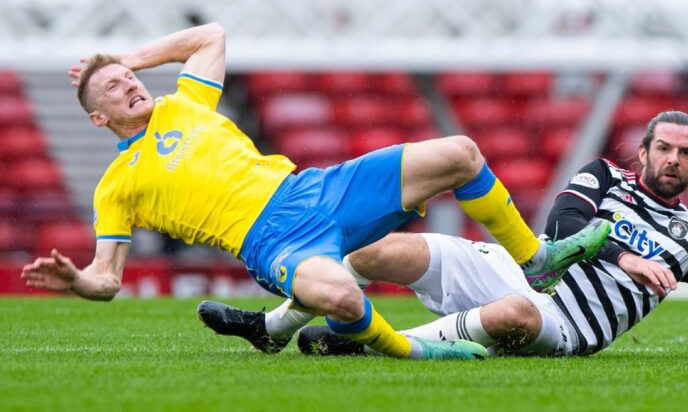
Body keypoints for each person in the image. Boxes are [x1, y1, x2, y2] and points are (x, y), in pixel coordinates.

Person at [19, 22, 610, 361]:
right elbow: (107, 278)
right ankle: (415, 353)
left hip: (314, 190)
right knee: (345, 301)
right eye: (115, 89)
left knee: (459, 153)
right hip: (268, 240)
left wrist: (126, 57)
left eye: (129, 79)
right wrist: (77, 282)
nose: (129, 86)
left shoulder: (183, 103)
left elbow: (211, 36)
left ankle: (534, 260)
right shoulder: (115, 186)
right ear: (100, 120)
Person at [200, 111, 688, 362]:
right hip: (521, 270)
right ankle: (274, 328)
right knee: (370, 254)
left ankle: (364, 349)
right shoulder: (602, 175)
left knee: (510, 316)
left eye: (687, 153)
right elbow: (560, 228)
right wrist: (623, 254)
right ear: (644, 150)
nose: (673, 159)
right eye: (664, 148)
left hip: (566, 326)